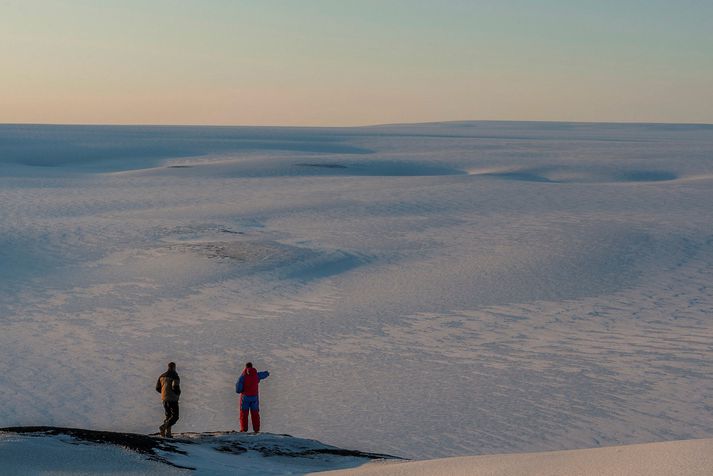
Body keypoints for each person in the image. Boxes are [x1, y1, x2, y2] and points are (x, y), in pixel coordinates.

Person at [235, 362, 269, 433]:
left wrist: (242, 390)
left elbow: (238, 389)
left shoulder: (243, 377)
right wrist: (267, 373)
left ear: (246, 367)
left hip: (245, 398)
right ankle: (256, 430)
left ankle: (244, 429)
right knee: (255, 413)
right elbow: (263, 374)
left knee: (244, 414)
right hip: (254, 398)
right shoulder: (256, 375)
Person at [155, 362, 181, 438]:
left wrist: (164, 393)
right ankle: (163, 427)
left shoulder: (161, 376)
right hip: (173, 399)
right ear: (174, 367)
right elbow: (175, 386)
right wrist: (178, 393)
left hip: (164, 399)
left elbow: (157, 388)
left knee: (168, 415)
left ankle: (168, 433)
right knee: (175, 416)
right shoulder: (175, 375)